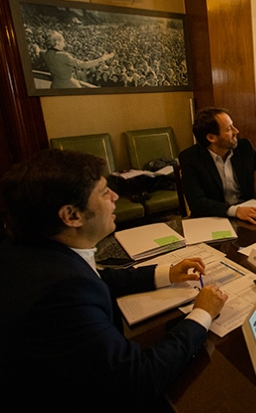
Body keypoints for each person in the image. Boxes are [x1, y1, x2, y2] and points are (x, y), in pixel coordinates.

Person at [0, 149, 228, 412]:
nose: (115, 197)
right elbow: (139, 380)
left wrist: (165, 273)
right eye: (104, 192)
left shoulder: (29, 249)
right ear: (71, 215)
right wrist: (201, 314)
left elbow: (95, 277)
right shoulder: (61, 293)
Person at [33, 31, 114, 88]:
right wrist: (102, 58)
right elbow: (83, 65)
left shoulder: (44, 54)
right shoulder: (64, 56)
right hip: (68, 85)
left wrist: (37, 50)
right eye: (63, 42)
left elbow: (39, 54)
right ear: (57, 43)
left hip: (55, 86)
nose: (64, 44)